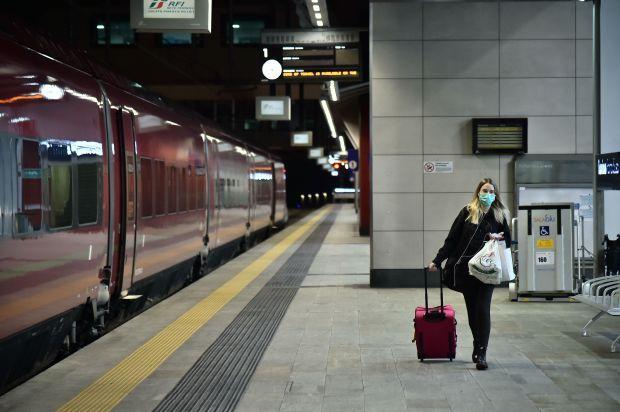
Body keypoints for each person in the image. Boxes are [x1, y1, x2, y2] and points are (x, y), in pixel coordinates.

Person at [428, 178, 511, 370]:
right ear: (478, 192)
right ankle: (477, 344)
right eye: (485, 190)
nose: (488, 194)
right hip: (467, 269)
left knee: (483, 309)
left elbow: (508, 241)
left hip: (488, 270)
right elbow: (452, 240)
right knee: (473, 310)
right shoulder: (467, 212)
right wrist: (438, 260)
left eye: (492, 191)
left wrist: (498, 237)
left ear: (496, 195)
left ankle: (482, 352)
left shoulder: (499, 216)